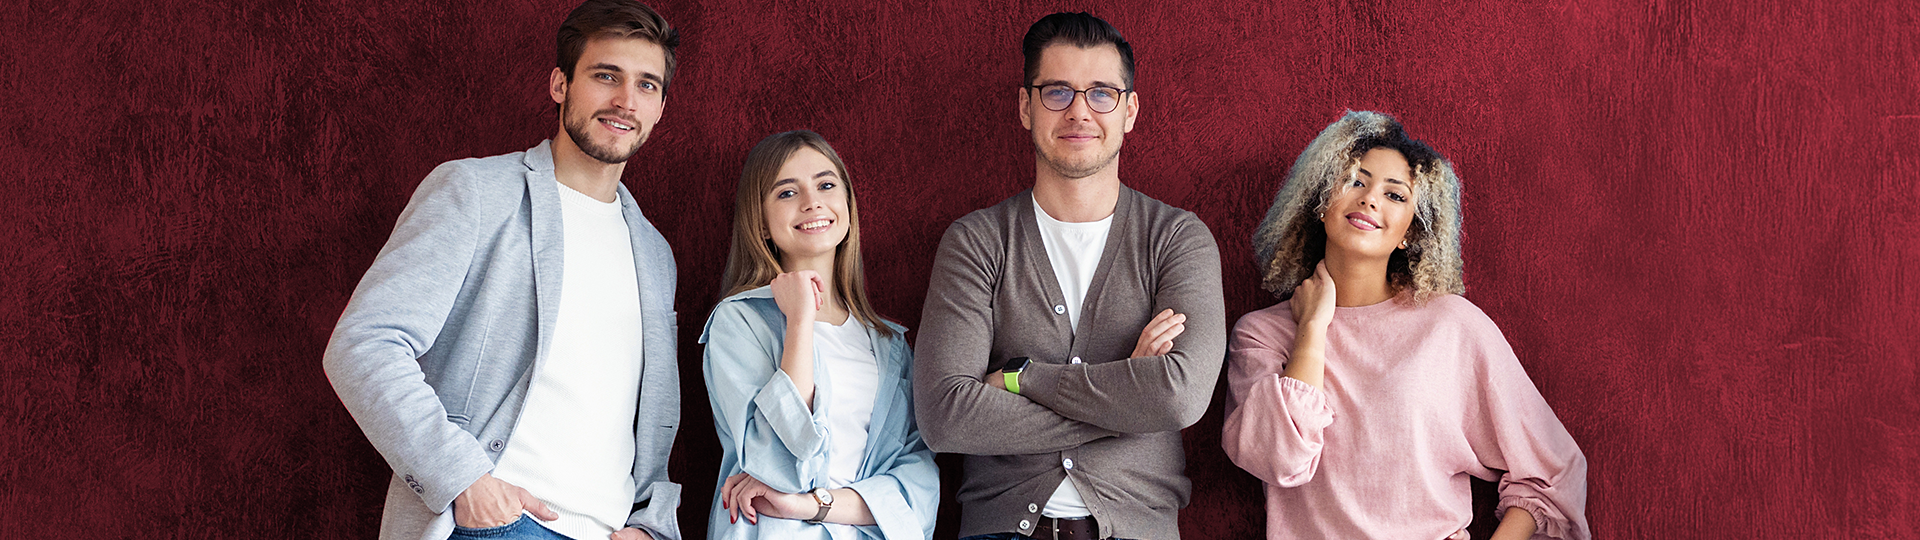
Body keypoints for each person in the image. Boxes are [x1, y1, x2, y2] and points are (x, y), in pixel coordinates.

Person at [321, 1, 685, 539]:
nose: (625, 101)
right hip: (499, 522)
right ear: (560, 84)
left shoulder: (655, 253)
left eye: (647, 85)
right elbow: (364, 343)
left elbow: (647, 411)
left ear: (659, 108)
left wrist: (651, 523)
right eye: (606, 75)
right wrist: (463, 478)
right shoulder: (476, 193)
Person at [914, 12, 1226, 540]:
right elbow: (945, 415)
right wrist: (1128, 391)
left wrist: (1021, 377)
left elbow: (1177, 397)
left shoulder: (1177, 238)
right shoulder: (975, 241)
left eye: (1101, 93)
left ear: (1129, 110)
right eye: (1057, 91)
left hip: (1135, 529)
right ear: (1025, 107)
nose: (1080, 111)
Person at [1222, 110, 1590, 540]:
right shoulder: (1260, 335)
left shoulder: (1450, 325)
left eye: (1395, 195)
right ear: (1321, 201)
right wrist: (1312, 330)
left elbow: (1555, 469)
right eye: (1355, 180)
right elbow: (1279, 460)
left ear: (1409, 234)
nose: (1370, 199)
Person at [699, 130, 939, 539]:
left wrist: (813, 506)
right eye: (787, 192)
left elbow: (918, 483)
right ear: (761, 223)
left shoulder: (889, 343)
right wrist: (799, 321)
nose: (813, 202)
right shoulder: (738, 323)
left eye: (826, 185)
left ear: (846, 205)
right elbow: (776, 462)